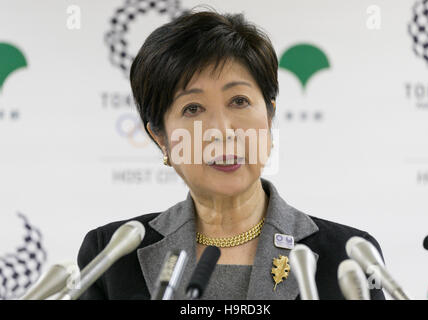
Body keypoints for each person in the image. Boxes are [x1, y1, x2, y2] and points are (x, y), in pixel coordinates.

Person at [77, 8, 385, 300]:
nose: (221, 130)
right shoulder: (112, 257)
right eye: (193, 108)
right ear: (161, 139)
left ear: (269, 117)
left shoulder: (350, 254)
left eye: (238, 101)